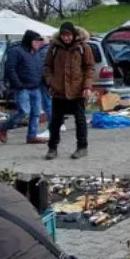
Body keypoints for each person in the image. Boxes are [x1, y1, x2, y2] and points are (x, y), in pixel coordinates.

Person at [43, 22, 94, 160]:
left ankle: (82, 147)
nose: (66, 38)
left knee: (80, 120)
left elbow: (89, 68)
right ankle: (52, 148)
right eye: (63, 35)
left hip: (77, 91)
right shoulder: (54, 48)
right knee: (55, 121)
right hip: (58, 91)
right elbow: (47, 66)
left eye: (68, 35)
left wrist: (87, 87)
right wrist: (50, 81)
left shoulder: (83, 47)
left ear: (74, 34)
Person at [0, 30, 45, 145]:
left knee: (36, 112)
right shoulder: (15, 51)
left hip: (35, 87)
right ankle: (3, 127)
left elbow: (39, 69)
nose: (38, 43)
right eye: (36, 40)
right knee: (24, 111)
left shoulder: (35, 53)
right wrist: (18, 84)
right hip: (22, 87)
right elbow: (10, 69)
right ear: (29, 40)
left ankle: (32, 136)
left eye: (39, 41)